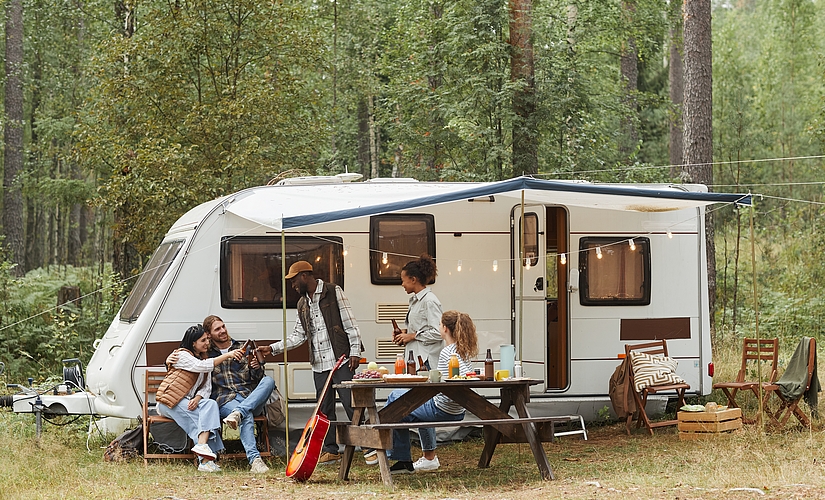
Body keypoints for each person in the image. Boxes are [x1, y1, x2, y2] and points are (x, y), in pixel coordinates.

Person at [257, 260, 366, 465]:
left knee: (352, 404)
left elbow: (351, 324)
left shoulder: (333, 292)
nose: (292, 285)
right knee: (325, 409)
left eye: (294, 280)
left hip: (340, 359)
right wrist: (272, 348)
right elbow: (298, 336)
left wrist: (355, 352)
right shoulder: (302, 304)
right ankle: (331, 450)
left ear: (305, 276)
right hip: (319, 364)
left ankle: (369, 446)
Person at [387, 310, 478, 474]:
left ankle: (384, 449)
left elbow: (463, 375)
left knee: (396, 399)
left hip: (442, 408)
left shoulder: (448, 352)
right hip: (458, 409)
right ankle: (420, 459)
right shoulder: (462, 351)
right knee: (408, 408)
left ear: (444, 328)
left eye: (439, 324)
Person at [156, 324, 243, 472]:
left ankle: (202, 448)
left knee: (209, 404)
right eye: (203, 340)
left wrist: (197, 398)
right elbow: (200, 367)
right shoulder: (181, 355)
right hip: (169, 402)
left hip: (187, 401)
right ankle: (205, 461)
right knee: (199, 422)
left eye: (207, 340)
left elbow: (206, 387)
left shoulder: (204, 359)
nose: (207, 343)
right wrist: (228, 355)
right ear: (193, 343)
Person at [205, 315, 276, 474]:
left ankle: (239, 412)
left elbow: (256, 378)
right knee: (246, 415)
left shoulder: (242, 347)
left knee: (269, 381)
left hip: (248, 396)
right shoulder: (207, 354)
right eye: (217, 329)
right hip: (225, 400)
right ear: (209, 334)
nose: (223, 331)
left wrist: (256, 368)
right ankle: (255, 460)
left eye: (223, 326)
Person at [393, 254, 443, 370]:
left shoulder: (429, 301)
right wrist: (404, 333)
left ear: (413, 279)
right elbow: (422, 327)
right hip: (416, 358)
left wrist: (412, 336)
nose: (402, 284)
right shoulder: (417, 301)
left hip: (426, 361)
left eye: (403, 281)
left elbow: (438, 332)